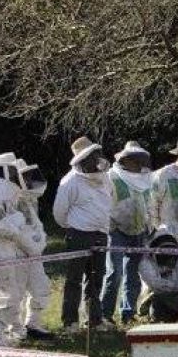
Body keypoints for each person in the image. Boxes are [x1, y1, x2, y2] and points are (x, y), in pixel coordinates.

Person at [53, 137, 113, 333]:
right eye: (89, 157)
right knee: (74, 279)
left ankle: (94, 320)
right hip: (78, 235)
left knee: (97, 278)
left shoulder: (105, 178)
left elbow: (109, 202)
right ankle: (70, 322)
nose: (95, 160)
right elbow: (59, 213)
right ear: (81, 160)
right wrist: (74, 227)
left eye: (95, 155)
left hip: (101, 234)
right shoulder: (69, 181)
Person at [0, 154, 38, 346]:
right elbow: (5, 227)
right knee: (5, 296)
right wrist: (18, 222)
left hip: (2, 251)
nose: (12, 181)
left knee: (2, 294)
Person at [100, 141, 153, 327]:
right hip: (116, 231)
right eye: (135, 159)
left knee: (133, 275)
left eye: (141, 159)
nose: (139, 163)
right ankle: (105, 314)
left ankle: (128, 312)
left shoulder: (145, 179)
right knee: (114, 272)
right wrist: (110, 226)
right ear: (125, 159)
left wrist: (149, 224)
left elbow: (149, 203)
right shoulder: (112, 177)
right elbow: (104, 204)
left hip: (139, 230)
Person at [14, 157, 53, 339]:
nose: (29, 180)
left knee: (41, 287)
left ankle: (33, 324)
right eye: (25, 176)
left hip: (33, 252)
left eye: (29, 176)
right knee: (16, 292)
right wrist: (30, 245)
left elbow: (34, 226)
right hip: (16, 253)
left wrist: (39, 242)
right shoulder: (12, 199)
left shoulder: (30, 199)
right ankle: (14, 329)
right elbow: (13, 230)